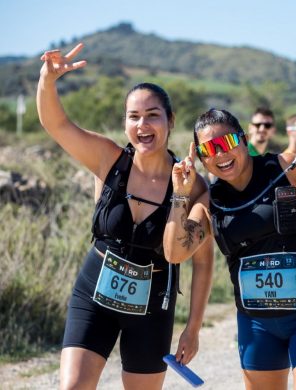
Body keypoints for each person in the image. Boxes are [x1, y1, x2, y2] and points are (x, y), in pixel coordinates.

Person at [36, 43, 213, 390]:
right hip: (95, 293)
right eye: (134, 116)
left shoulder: (194, 187)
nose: (142, 124)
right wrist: (47, 79)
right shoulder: (107, 158)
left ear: (170, 121)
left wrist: (192, 329)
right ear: (125, 123)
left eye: (152, 115)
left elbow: (202, 262)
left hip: (153, 306)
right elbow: (56, 124)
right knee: (72, 386)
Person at [164, 108, 296, 390]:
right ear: (201, 157)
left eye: (226, 143)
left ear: (244, 139)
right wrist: (180, 193)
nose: (220, 155)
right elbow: (175, 253)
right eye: (208, 150)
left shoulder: (289, 168)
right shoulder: (211, 200)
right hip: (256, 324)